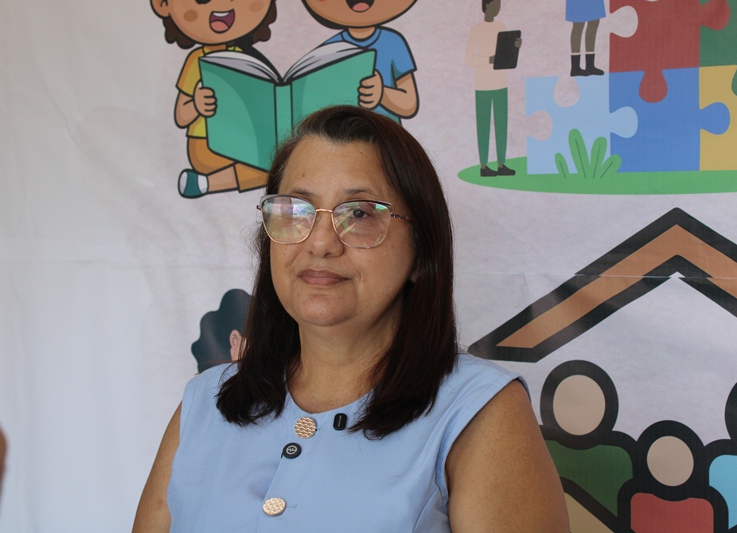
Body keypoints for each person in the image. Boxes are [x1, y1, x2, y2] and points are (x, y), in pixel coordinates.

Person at [133, 106, 569, 532]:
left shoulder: (479, 410)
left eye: (359, 213)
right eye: (296, 210)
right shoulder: (204, 402)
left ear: (422, 253)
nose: (320, 243)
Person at [150, 0, 277, 198]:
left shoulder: (244, 58)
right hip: (205, 144)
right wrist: (196, 105)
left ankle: (203, 183)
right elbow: (181, 116)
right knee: (269, 170)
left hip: (241, 141)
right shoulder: (196, 60)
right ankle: (205, 183)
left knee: (273, 165)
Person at [301, 0, 419, 122]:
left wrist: (382, 94)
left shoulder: (393, 42)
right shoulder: (329, 49)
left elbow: (409, 104)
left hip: (384, 132)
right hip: (342, 130)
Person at [465, 0, 521, 177]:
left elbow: (507, 55)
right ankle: (484, 166)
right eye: (495, 4)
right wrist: (489, 59)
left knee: (501, 124)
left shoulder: (501, 26)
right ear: (487, 6)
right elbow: (469, 59)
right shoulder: (477, 29)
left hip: (501, 83)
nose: (498, 7)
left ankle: (501, 164)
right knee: (483, 125)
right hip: (482, 85)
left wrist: (515, 48)